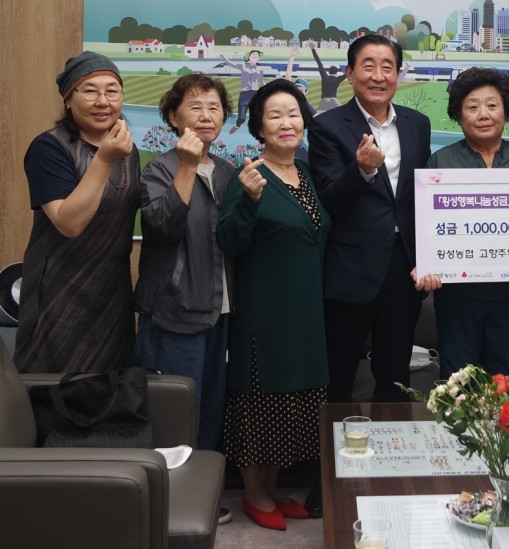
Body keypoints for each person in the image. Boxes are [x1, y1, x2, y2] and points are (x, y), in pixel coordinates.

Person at [216, 78, 330, 530]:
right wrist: (248, 201)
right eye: (275, 116)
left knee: (292, 400)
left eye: (294, 114)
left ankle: (275, 485)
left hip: (305, 309)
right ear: (259, 127)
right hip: (263, 310)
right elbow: (228, 239)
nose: (287, 123)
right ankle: (253, 492)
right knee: (260, 400)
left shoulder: (305, 172)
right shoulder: (249, 174)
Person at [308, 34, 432, 403]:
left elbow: (422, 196)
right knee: (339, 371)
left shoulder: (417, 124)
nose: (378, 76)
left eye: (387, 67)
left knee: (395, 375)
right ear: (349, 73)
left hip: (403, 266)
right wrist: (361, 170)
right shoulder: (328, 126)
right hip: (351, 269)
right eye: (368, 66)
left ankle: (393, 438)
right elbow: (330, 200)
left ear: (398, 74)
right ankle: (334, 440)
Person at [15, 51, 139, 373]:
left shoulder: (127, 150)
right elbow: (68, 223)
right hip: (59, 296)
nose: (103, 101)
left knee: (111, 389)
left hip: (112, 296)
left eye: (112, 91)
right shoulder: (49, 148)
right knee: (55, 390)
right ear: (68, 99)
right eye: (90, 91)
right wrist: (104, 159)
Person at [134, 73, 235, 452]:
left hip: (221, 312)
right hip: (175, 311)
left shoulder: (227, 171)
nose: (206, 116)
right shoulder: (160, 169)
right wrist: (188, 167)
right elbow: (162, 226)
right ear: (174, 117)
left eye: (214, 108)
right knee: (175, 414)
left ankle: (204, 485)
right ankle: (168, 486)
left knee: (211, 410)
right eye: (195, 107)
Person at [425, 67, 509, 378]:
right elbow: (429, 228)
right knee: (457, 384)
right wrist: (426, 264)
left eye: (492, 105)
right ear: (458, 115)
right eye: (472, 107)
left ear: (505, 110)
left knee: (505, 382)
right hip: (457, 298)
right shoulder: (440, 163)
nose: (483, 115)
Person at [221, 49, 266, 134]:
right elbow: (230, 64)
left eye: (257, 56)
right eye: (253, 55)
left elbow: (261, 81)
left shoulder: (260, 69)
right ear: (249, 57)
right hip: (244, 94)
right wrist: (223, 57)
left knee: (257, 116)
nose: (255, 56)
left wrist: (269, 87)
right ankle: (237, 125)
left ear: (258, 59)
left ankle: (259, 131)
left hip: (255, 94)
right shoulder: (243, 66)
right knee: (242, 118)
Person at [308, 40, 346, 112]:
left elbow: (318, 62)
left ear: (329, 72)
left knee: (317, 115)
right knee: (343, 113)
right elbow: (347, 73)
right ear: (336, 73)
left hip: (324, 101)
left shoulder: (325, 76)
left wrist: (313, 49)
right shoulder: (337, 79)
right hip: (334, 101)